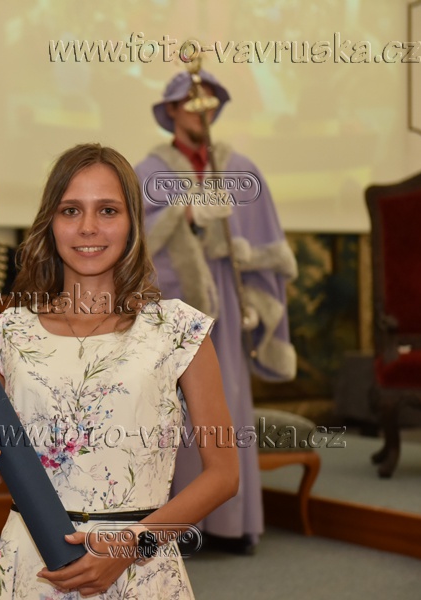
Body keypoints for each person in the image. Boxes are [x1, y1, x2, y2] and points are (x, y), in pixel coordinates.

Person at [0, 143, 239, 599]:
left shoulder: (178, 329)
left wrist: (129, 546)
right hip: (32, 565)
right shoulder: (7, 333)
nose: (88, 227)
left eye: (107, 210)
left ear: (132, 222)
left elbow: (223, 475)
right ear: (50, 222)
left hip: (140, 565)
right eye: (70, 210)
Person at [134, 69, 297, 553]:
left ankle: (232, 524)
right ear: (171, 111)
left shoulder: (240, 168)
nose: (199, 111)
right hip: (175, 309)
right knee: (177, 413)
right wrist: (184, 214)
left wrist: (255, 299)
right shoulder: (147, 173)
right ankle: (178, 525)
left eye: (208, 101)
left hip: (228, 308)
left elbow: (267, 245)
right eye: (190, 102)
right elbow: (134, 245)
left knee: (227, 405)